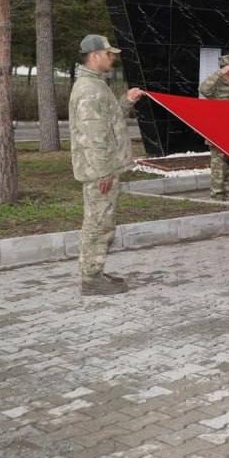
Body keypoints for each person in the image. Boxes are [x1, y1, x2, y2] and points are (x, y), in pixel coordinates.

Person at [69, 35, 145, 296]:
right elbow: (93, 136)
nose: (112, 58)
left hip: (104, 167)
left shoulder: (96, 86)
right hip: (100, 170)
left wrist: (127, 101)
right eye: (108, 53)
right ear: (95, 56)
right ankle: (91, 278)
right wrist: (103, 171)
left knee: (102, 222)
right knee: (98, 223)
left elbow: (108, 122)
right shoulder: (89, 90)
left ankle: (95, 271)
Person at [199, 53, 229, 201]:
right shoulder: (216, 84)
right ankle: (217, 202)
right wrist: (220, 72)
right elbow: (203, 89)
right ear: (228, 68)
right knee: (219, 172)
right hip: (218, 136)